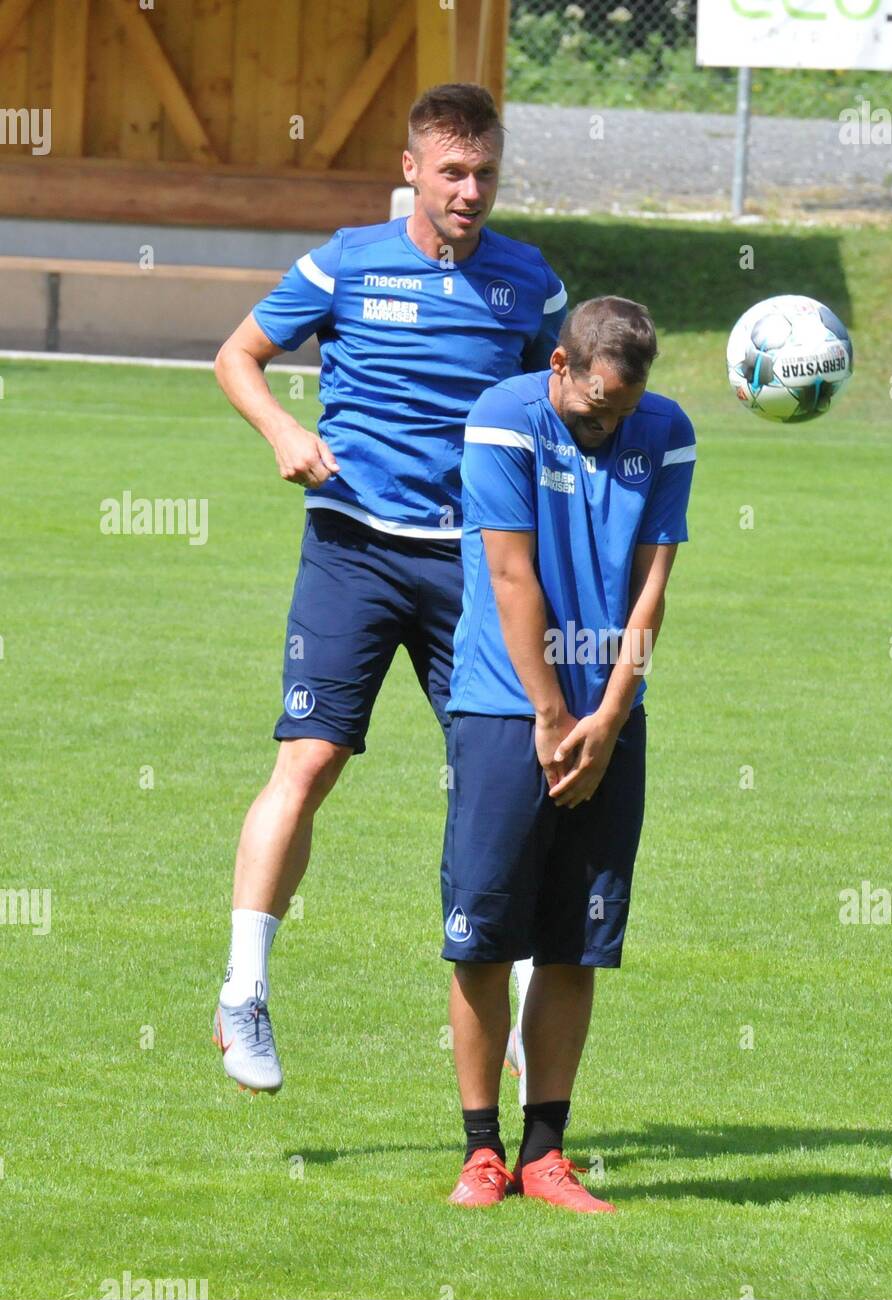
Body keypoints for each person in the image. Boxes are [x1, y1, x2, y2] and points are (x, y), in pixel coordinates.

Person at [211, 84, 566, 1094]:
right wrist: (286, 430)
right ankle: (243, 992)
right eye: (452, 171)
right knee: (310, 759)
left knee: (514, 773)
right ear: (410, 168)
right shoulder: (344, 261)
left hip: (476, 563)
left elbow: (560, 403)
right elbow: (237, 354)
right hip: (354, 548)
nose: (471, 190)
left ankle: (526, 1025)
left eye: (486, 173)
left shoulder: (528, 287)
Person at [440, 296, 696, 1210]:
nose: (607, 425)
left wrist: (612, 717)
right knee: (480, 940)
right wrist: (552, 716)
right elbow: (510, 573)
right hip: (507, 711)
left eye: (622, 412)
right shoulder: (502, 419)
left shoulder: (664, 431)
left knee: (575, 944)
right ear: (559, 366)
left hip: (608, 721)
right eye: (594, 408)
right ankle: (481, 1153)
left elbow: (649, 589)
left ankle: (546, 1154)